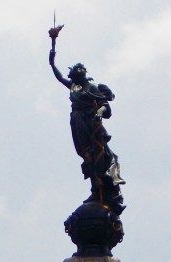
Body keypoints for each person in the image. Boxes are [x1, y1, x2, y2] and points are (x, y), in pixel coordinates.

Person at [49, 31, 125, 215]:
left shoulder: (92, 88)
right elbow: (59, 77)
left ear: (83, 75)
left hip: (91, 122)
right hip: (77, 122)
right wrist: (52, 59)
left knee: (98, 153)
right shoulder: (74, 87)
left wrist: (98, 112)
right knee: (87, 155)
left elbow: (106, 107)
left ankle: (103, 186)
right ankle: (95, 189)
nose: (75, 78)